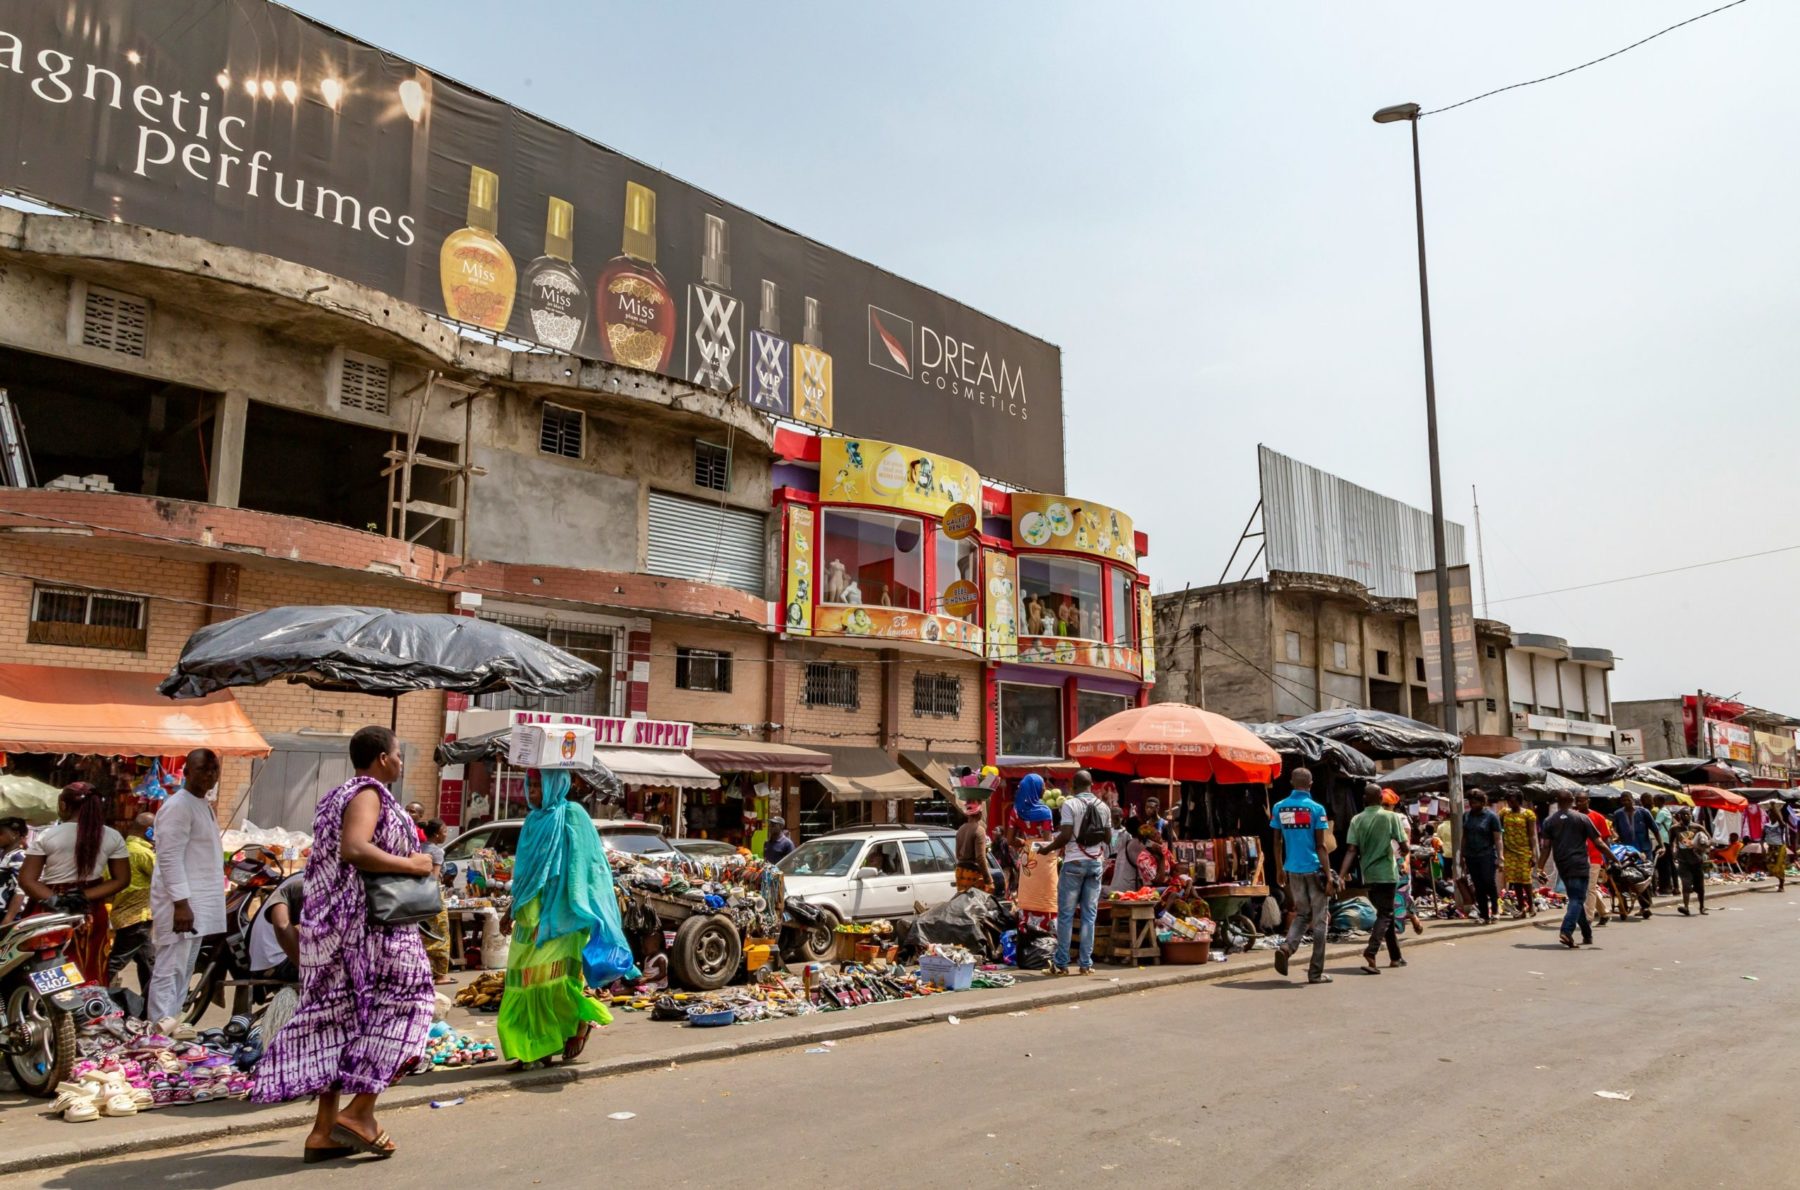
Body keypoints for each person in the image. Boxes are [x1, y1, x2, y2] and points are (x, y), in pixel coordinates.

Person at [252, 726, 437, 1162]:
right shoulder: (368, 793)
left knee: (342, 1027)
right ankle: (360, 1113)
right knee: (410, 1007)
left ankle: (323, 1132)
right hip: (370, 932)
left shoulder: (341, 795)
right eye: (398, 754)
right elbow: (355, 849)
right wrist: (413, 864)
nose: (401, 762)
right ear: (382, 758)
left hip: (339, 930)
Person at [497, 768, 633, 1070]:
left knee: (552, 981)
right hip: (529, 913)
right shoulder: (533, 820)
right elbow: (524, 874)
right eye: (529, 785)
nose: (532, 792)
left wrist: (588, 908)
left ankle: (566, 1032)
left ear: (555, 785)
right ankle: (530, 1046)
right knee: (521, 981)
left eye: (538, 786)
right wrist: (511, 909)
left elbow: (589, 865)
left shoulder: (573, 814)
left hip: (562, 914)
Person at [17, 782, 130, 982]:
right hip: (90, 908)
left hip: (49, 908)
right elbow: (121, 879)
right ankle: (90, 1006)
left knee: (45, 967)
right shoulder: (113, 836)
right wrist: (82, 896)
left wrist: (57, 900)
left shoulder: (48, 835)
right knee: (90, 964)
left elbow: (27, 880)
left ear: (63, 805)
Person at [147, 748, 226, 1028]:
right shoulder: (178, 806)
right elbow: (169, 857)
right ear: (187, 772)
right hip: (181, 905)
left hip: (196, 905)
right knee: (169, 970)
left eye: (214, 770)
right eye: (203, 769)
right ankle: (158, 1032)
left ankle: (172, 1026)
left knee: (184, 970)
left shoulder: (200, 804)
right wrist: (181, 903)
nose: (210, 775)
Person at [1038, 769, 1109, 976]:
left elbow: (1066, 834)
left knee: (1066, 915)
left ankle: (1061, 964)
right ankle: (1086, 964)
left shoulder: (1070, 804)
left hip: (1073, 863)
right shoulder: (1103, 806)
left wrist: (1047, 849)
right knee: (1089, 916)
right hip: (1095, 864)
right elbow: (1107, 836)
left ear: (1073, 786)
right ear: (1091, 785)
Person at [1271, 767, 1336, 985]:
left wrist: (1280, 868)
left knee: (1301, 914)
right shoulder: (1316, 809)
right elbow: (1321, 846)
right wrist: (1329, 877)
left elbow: (1277, 841)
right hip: (1315, 869)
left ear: (1291, 782)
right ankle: (1315, 973)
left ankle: (1287, 947)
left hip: (1293, 869)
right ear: (1311, 784)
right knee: (1319, 922)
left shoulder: (1279, 807)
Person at [1339, 782, 1408, 974]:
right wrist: (1405, 851)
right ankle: (1372, 951)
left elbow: (1351, 849)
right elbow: (1403, 844)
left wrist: (1342, 875)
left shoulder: (1356, 820)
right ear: (1380, 799)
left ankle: (1396, 957)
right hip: (1387, 872)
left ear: (1363, 800)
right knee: (1385, 914)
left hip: (1368, 874)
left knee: (1387, 914)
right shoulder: (1391, 817)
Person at [1540, 791, 1606, 949]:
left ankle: (1587, 934)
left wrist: (1539, 868)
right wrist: (1614, 859)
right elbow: (1599, 843)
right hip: (1579, 865)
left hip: (1562, 865)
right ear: (1572, 801)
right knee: (1577, 899)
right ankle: (1566, 931)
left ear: (1557, 800)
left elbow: (1546, 847)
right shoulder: (1582, 818)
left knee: (1576, 898)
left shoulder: (1549, 821)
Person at [106, 812, 158, 1002]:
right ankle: (95, 994)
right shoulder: (142, 853)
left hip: (125, 914)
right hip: (136, 917)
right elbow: (163, 878)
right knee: (116, 961)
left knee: (148, 961)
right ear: (150, 832)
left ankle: (150, 1003)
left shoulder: (121, 849)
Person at [247, 871, 305, 983]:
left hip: (261, 959)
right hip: (277, 960)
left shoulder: (302, 877)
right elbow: (282, 925)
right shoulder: (315, 884)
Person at [1609, 792, 1657, 919]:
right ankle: (1624, 903)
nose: (1626, 803)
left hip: (1643, 851)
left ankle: (1645, 906)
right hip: (1627, 851)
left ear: (1633, 800)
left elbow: (1654, 829)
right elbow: (1614, 829)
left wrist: (1662, 846)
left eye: (1628, 800)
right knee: (1624, 876)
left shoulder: (1643, 812)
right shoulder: (1618, 814)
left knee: (1643, 878)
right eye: (1623, 801)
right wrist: (1615, 835)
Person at [1461, 789, 1503, 925]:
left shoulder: (1491, 817)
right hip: (1471, 855)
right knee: (1478, 886)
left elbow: (1498, 838)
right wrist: (1461, 856)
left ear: (1482, 802)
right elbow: (1464, 837)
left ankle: (1495, 910)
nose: (1473, 805)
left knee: (1488, 882)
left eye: (1476, 802)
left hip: (1487, 854)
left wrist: (1500, 857)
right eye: (1471, 802)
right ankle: (1484, 914)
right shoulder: (1466, 816)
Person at [420, 820, 454, 985]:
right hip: (432, 895)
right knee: (441, 934)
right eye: (445, 830)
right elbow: (434, 877)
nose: (446, 834)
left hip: (416, 895)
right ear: (437, 834)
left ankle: (424, 971)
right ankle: (441, 975)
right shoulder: (437, 852)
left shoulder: (417, 847)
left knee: (424, 934)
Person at [1574, 793, 1613, 928]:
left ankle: (1588, 918)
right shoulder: (1574, 816)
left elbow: (1606, 839)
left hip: (1594, 857)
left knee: (1589, 888)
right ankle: (1604, 912)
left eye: (1581, 801)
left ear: (1588, 801)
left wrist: (1607, 857)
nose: (1579, 804)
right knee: (1588, 888)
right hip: (1578, 857)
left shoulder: (1598, 817)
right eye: (1577, 801)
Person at [1499, 791, 1540, 918]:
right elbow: (1500, 830)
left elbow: (1533, 835)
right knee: (1515, 880)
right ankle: (1521, 907)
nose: (1510, 803)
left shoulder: (1528, 814)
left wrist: (1534, 853)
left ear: (1519, 800)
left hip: (1524, 850)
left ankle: (1531, 905)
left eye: (1513, 800)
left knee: (1525, 879)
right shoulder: (1504, 813)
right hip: (1509, 851)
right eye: (1508, 801)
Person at [1671, 807, 1712, 916]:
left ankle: (1702, 907)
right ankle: (1686, 907)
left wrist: (1703, 846)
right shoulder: (1674, 828)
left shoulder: (1698, 827)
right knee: (1686, 884)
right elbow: (1670, 843)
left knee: (1700, 886)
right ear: (1679, 816)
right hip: (1683, 860)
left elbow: (1709, 839)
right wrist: (1673, 853)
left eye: (1688, 814)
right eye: (1683, 815)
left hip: (1697, 860)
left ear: (1691, 815)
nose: (1686, 816)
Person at [954, 800, 992, 893]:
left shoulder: (960, 829)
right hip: (973, 873)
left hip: (960, 871)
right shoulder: (979, 830)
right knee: (977, 904)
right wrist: (988, 879)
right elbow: (980, 857)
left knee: (963, 903)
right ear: (979, 814)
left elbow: (958, 855)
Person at [0, 816, 29, 926]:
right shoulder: (3, 856)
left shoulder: (19, 857)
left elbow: (21, 891)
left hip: (7, 917)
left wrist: (7, 921)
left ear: (16, 834)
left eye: (0, 833)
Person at [1650, 794, 1677, 895]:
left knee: (1663, 865)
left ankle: (1665, 887)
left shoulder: (1662, 812)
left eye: (1655, 800)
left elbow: (1656, 826)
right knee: (1669, 864)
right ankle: (1674, 886)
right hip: (1667, 840)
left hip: (1663, 841)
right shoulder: (1666, 811)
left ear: (1660, 801)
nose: (1654, 803)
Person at [1763, 801, 1790, 893]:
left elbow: (1780, 819)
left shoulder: (1781, 825)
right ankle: (1780, 880)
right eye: (1770, 814)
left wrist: (1774, 808)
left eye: (1773, 814)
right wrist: (1762, 845)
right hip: (1771, 847)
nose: (1771, 815)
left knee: (1779, 867)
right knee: (1769, 865)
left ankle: (1781, 884)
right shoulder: (1766, 825)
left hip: (1780, 847)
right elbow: (1763, 837)